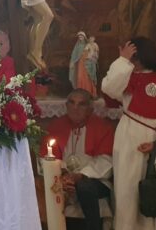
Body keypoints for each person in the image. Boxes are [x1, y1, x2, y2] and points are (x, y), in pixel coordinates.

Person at [101, 36, 156, 229]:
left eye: (131, 56)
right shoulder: (128, 78)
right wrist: (123, 61)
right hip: (128, 141)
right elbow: (109, 88)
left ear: (139, 56)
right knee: (127, 190)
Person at [42, 90, 114, 230]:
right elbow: (47, 158)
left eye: (82, 104)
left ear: (90, 109)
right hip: (63, 177)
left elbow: (106, 161)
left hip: (94, 179)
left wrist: (80, 175)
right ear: (66, 105)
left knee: (84, 186)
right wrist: (63, 176)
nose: (75, 108)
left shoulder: (102, 127)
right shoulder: (56, 126)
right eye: (72, 103)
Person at [70, 32, 99, 97]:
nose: (80, 38)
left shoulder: (88, 44)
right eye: (79, 37)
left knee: (88, 77)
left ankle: (89, 92)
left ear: (85, 37)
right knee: (80, 77)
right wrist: (73, 62)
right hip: (80, 63)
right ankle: (80, 93)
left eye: (82, 36)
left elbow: (93, 53)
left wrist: (91, 58)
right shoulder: (77, 46)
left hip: (87, 63)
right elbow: (74, 55)